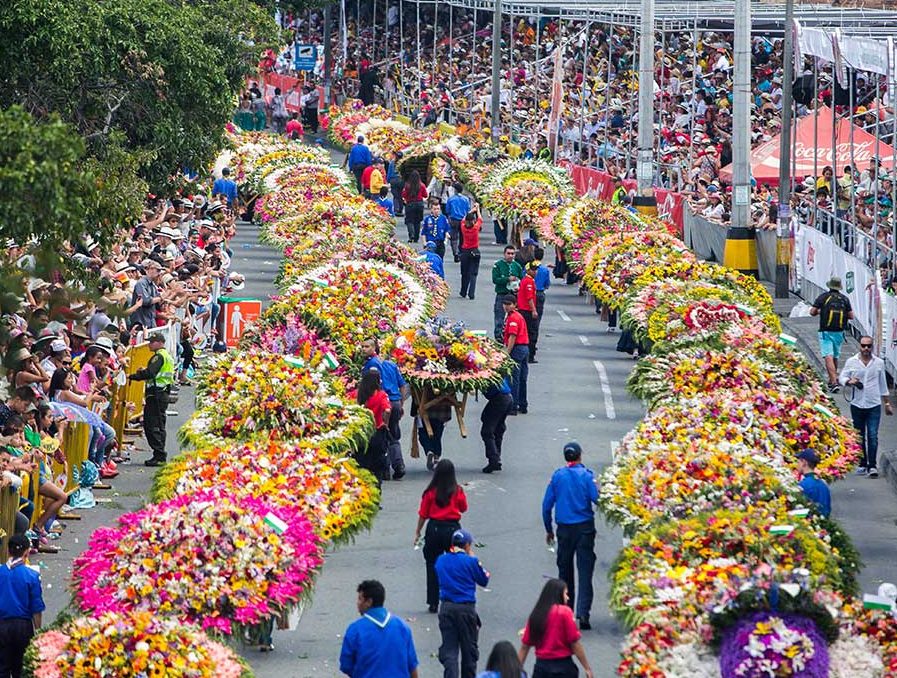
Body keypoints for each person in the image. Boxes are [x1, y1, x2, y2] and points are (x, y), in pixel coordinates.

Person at [541, 442, 599, 630]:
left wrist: (549, 529)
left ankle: (566, 612)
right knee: (585, 571)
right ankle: (583, 613)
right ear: (580, 456)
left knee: (564, 572)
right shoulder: (587, 476)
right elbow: (597, 498)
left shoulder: (557, 477)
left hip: (564, 530)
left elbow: (546, 506)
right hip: (584, 529)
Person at [414, 459, 468, 613]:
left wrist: (418, 531)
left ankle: (433, 601)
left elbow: (423, 514)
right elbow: (463, 508)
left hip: (435, 529)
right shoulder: (457, 490)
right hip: (453, 531)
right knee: (455, 564)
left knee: (432, 565)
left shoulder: (430, 492)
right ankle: (455, 597)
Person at [435, 529, 490, 678]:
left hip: (446, 607)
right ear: (467, 545)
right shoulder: (470, 561)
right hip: (466, 608)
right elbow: (484, 579)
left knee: (450, 650)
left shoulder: (441, 560)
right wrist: (475, 559)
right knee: (469, 652)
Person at [339, 580, 420, 678]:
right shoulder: (402, 627)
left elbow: (346, 665)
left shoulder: (355, 630)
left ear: (369, 602)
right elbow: (412, 665)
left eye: (360, 599)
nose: (357, 603)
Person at [838, 336, 893, 477]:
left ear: (872, 347)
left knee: (873, 435)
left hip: (873, 404)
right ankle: (863, 463)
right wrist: (849, 381)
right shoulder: (852, 362)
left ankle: (872, 465)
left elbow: (883, 384)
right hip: (857, 404)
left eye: (869, 346)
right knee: (859, 435)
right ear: (860, 346)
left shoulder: (879, 363)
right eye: (863, 346)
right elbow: (842, 377)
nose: (866, 349)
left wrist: (887, 403)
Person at [518, 579, 593, 678]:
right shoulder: (565, 612)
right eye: (565, 594)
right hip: (563, 666)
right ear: (558, 595)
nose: (567, 597)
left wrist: (517, 670)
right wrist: (587, 667)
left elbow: (525, 647)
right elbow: (575, 643)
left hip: (541, 667)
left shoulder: (537, 614)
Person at [361, 338, 409, 480]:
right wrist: (401, 402)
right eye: (362, 346)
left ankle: (385, 469)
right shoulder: (391, 364)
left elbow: (374, 386)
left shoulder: (371, 365)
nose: (363, 349)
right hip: (395, 402)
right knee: (393, 435)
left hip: (382, 403)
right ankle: (398, 464)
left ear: (375, 348)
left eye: (366, 346)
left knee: (382, 435)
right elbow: (403, 385)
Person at [0, 534, 45, 678]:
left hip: (2, 626)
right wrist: (38, 631)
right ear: (27, 552)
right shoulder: (32, 575)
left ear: (8, 551)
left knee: (2, 668)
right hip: (23, 628)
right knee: (22, 668)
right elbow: (36, 608)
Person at [128, 332, 175, 466]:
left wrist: (134, 376)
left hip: (156, 394)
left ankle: (159, 454)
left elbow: (150, 373)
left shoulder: (159, 356)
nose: (149, 344)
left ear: (160, 343)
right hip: (161, 393)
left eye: (152, 342)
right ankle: (159, 453)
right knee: (159, 424)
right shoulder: (166, 356)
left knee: (152, 424)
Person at [809, 277, 854, 392]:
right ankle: (831, 379)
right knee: (835, 356)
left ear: (829, 286)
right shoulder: (844, 299)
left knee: (828, 356)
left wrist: (822, 311)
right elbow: (851, 316)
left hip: (825, 331)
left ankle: (834, 382)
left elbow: (812, 312)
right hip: (839, 331)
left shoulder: (823, 297)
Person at [356, 369, 391, 482]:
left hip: (362, 433)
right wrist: (385, 423)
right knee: (377, 465)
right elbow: (387, 410)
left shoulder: (358, 394)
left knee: (363, 463)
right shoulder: (381, 395)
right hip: (377, 432)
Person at [502, 295, 529, 415]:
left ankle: (513, 406)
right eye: (505, 304)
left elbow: (512, 337)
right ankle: (523, 404)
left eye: (509, 304)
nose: (506, 307)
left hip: (517, 349)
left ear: (515, 305)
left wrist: (507, 352)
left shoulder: (513, 318)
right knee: (522, 378)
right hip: (524, 348)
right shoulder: (516, 316)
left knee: (513, 379)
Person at [480, 377, 513, 473]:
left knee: (487, 431)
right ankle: (496, 457)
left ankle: (494, 459)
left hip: (500, 398)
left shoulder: (483, 370)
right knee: (498, 428)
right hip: (508, 397)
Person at [492, 246, 523, 342]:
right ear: (504, 254)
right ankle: (498, 336)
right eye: (508, 253)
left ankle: (511, 335)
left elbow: (521, 279)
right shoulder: (498, 265)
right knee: (499, 316)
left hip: (513, 295)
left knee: (514, 315)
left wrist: (518, 287)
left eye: (512, 254)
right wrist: (507, 279)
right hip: (502, 294)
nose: (510, 256)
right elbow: (495, 279)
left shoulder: (517, 266)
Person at [796, 449, 831, 518]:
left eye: (798, 462)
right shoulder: (823, 483)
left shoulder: (803, 485)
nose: (797, 465)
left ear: (804, 462)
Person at [517, 263, 539, 363]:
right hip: (527, 311)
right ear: (528, 270)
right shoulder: (528, 282)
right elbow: (529, 298)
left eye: (536, 270)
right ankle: (530, 356)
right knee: (532, 333)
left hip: (523, 310)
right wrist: (534, 310)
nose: (535, 272)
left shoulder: (526, 280)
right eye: (533, 270)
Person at [459, 208, 482, 300]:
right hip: (475, 250)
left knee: (464, 273)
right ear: (473, 221)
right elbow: (480, 218)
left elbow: (463, 219)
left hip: (465, 251)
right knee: (473, 273)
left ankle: (463, 291)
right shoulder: (475, 228)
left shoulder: (463, 227)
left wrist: (472, 210)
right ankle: (471, 293)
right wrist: (478, 209)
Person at [445, 183, 472, 262]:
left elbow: (447, 210)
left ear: (455, 190)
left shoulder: (451, 199)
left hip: (454, 220)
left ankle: (455, 253)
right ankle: (461, 252)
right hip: (463, 220)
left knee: (454, 238)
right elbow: (468, 210)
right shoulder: (466, 199)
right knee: (462, 237)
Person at [402, 170, 428, 243]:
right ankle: (416, 237)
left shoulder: (407, 185)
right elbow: (425, 195)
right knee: (418, 221)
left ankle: (411, 235)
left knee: (409, 220)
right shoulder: (422, 185)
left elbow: (403, 195)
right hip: (419, 204)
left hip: (410, 204)